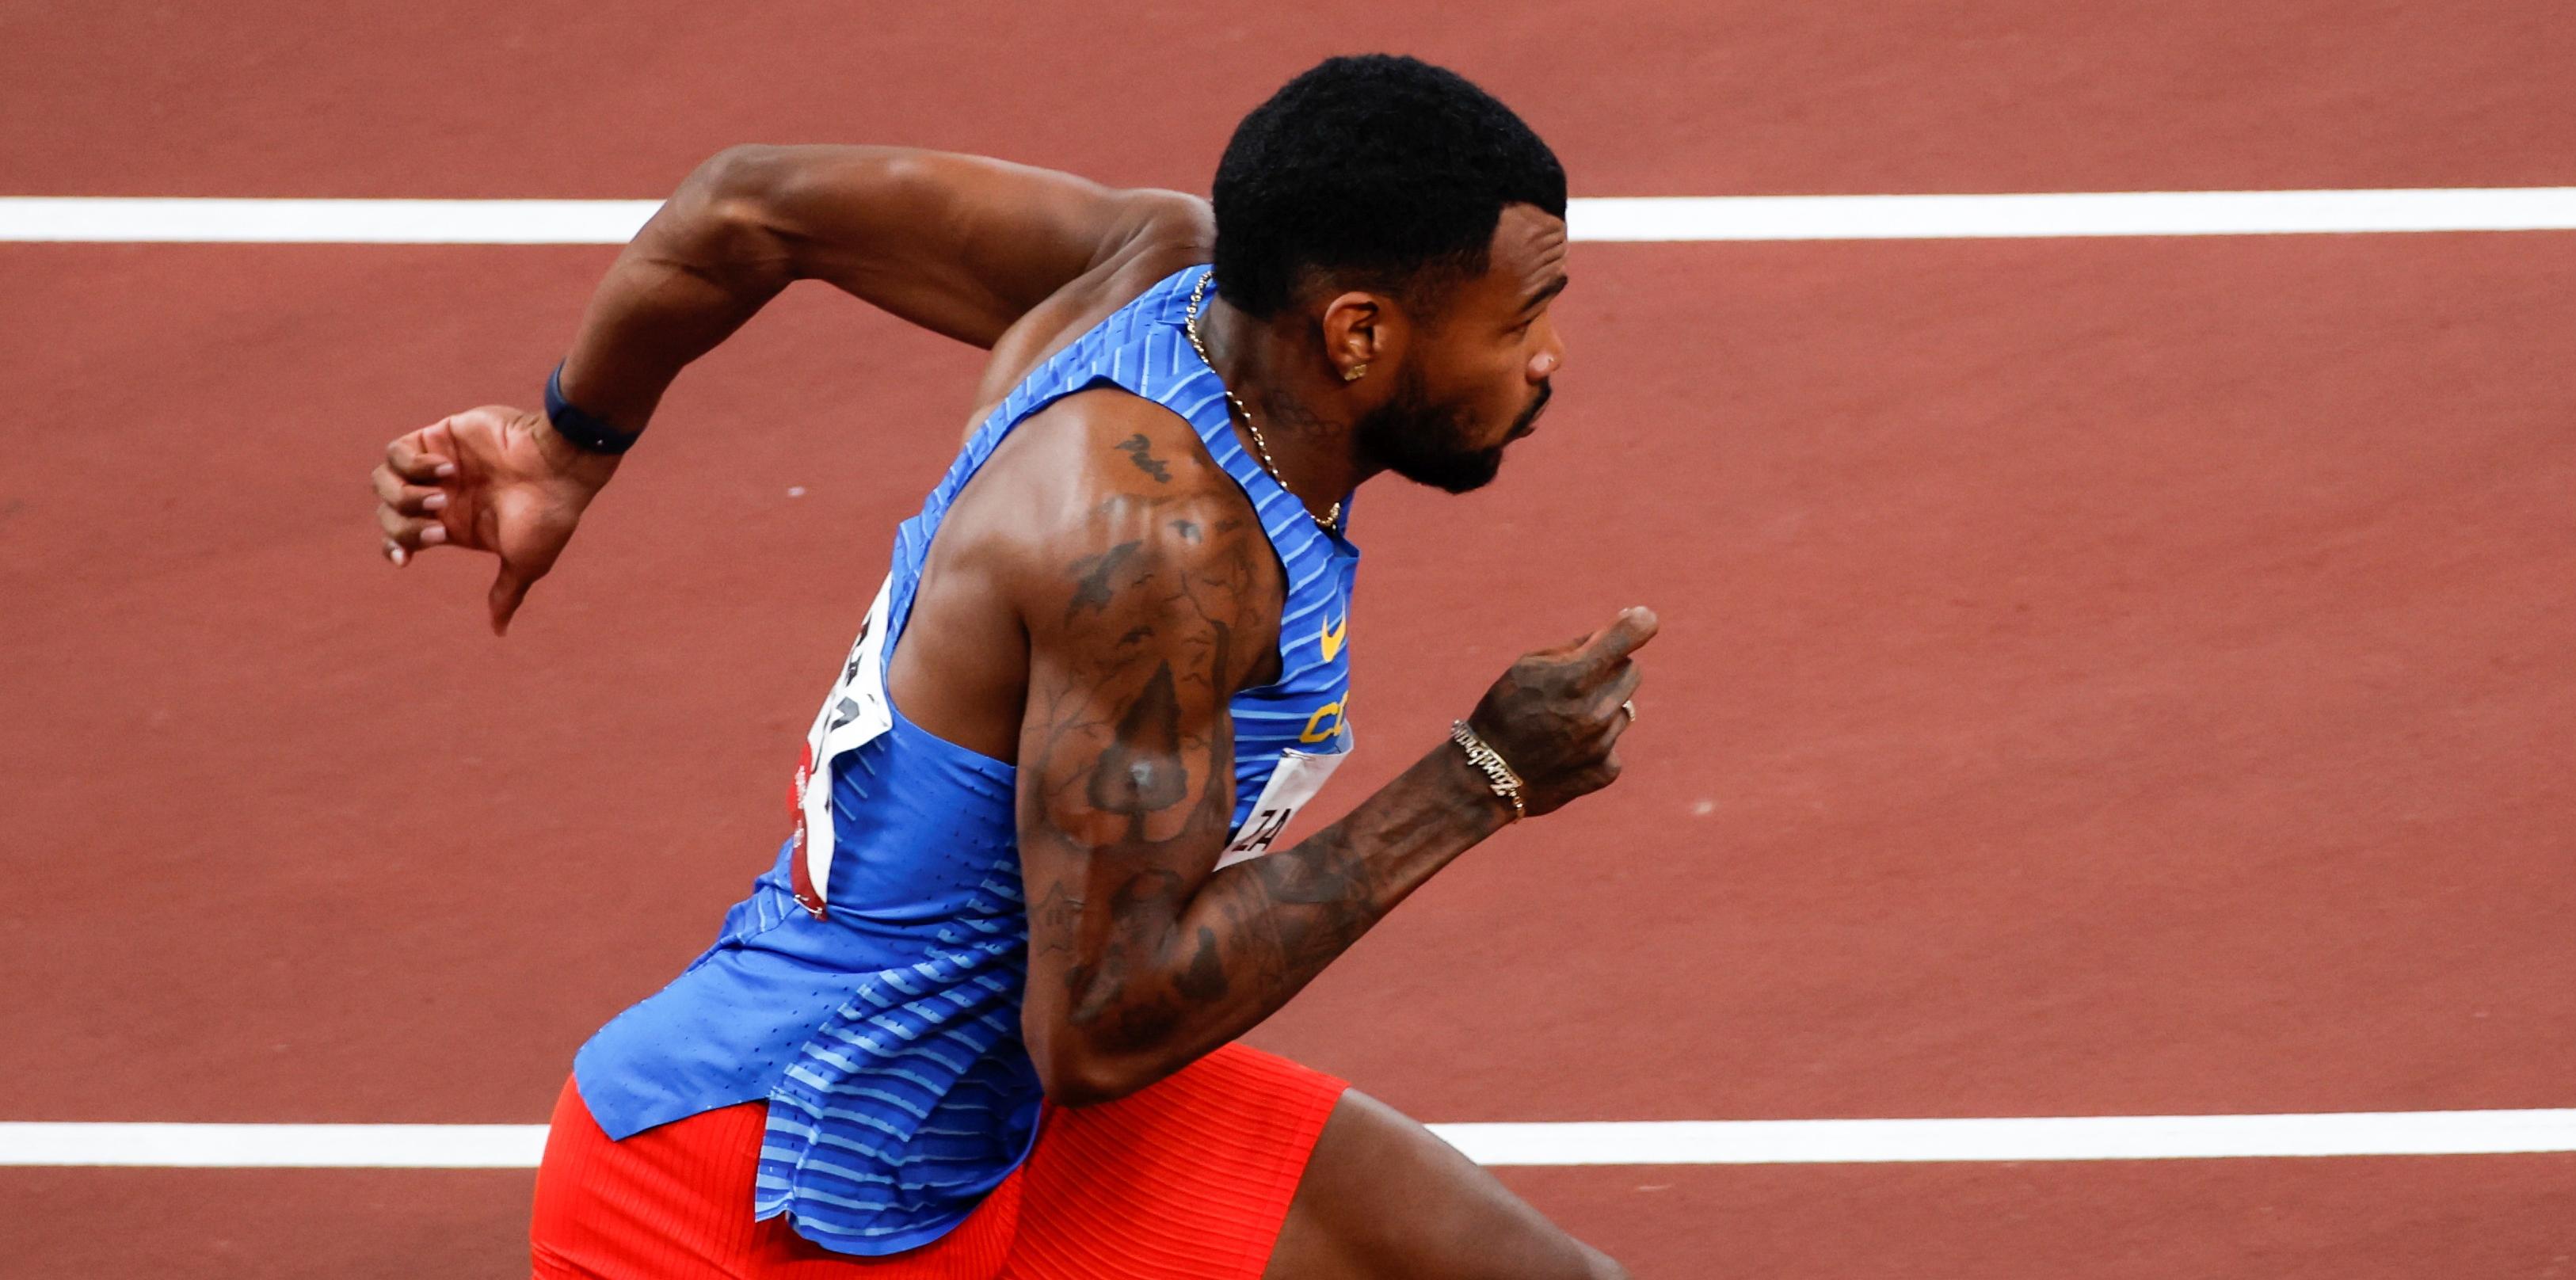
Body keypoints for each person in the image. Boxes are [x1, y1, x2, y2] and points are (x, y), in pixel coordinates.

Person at [369, 55, 1651, 1279]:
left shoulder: (1161, 271)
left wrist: (566, 440)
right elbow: (1096, 1026)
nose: (1546, 362)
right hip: (769, 1190)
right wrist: (1480, 779)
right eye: (1520, 321)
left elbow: (748, 205)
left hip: (988, 1122)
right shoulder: (1164, 555)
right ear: (1359, 336)